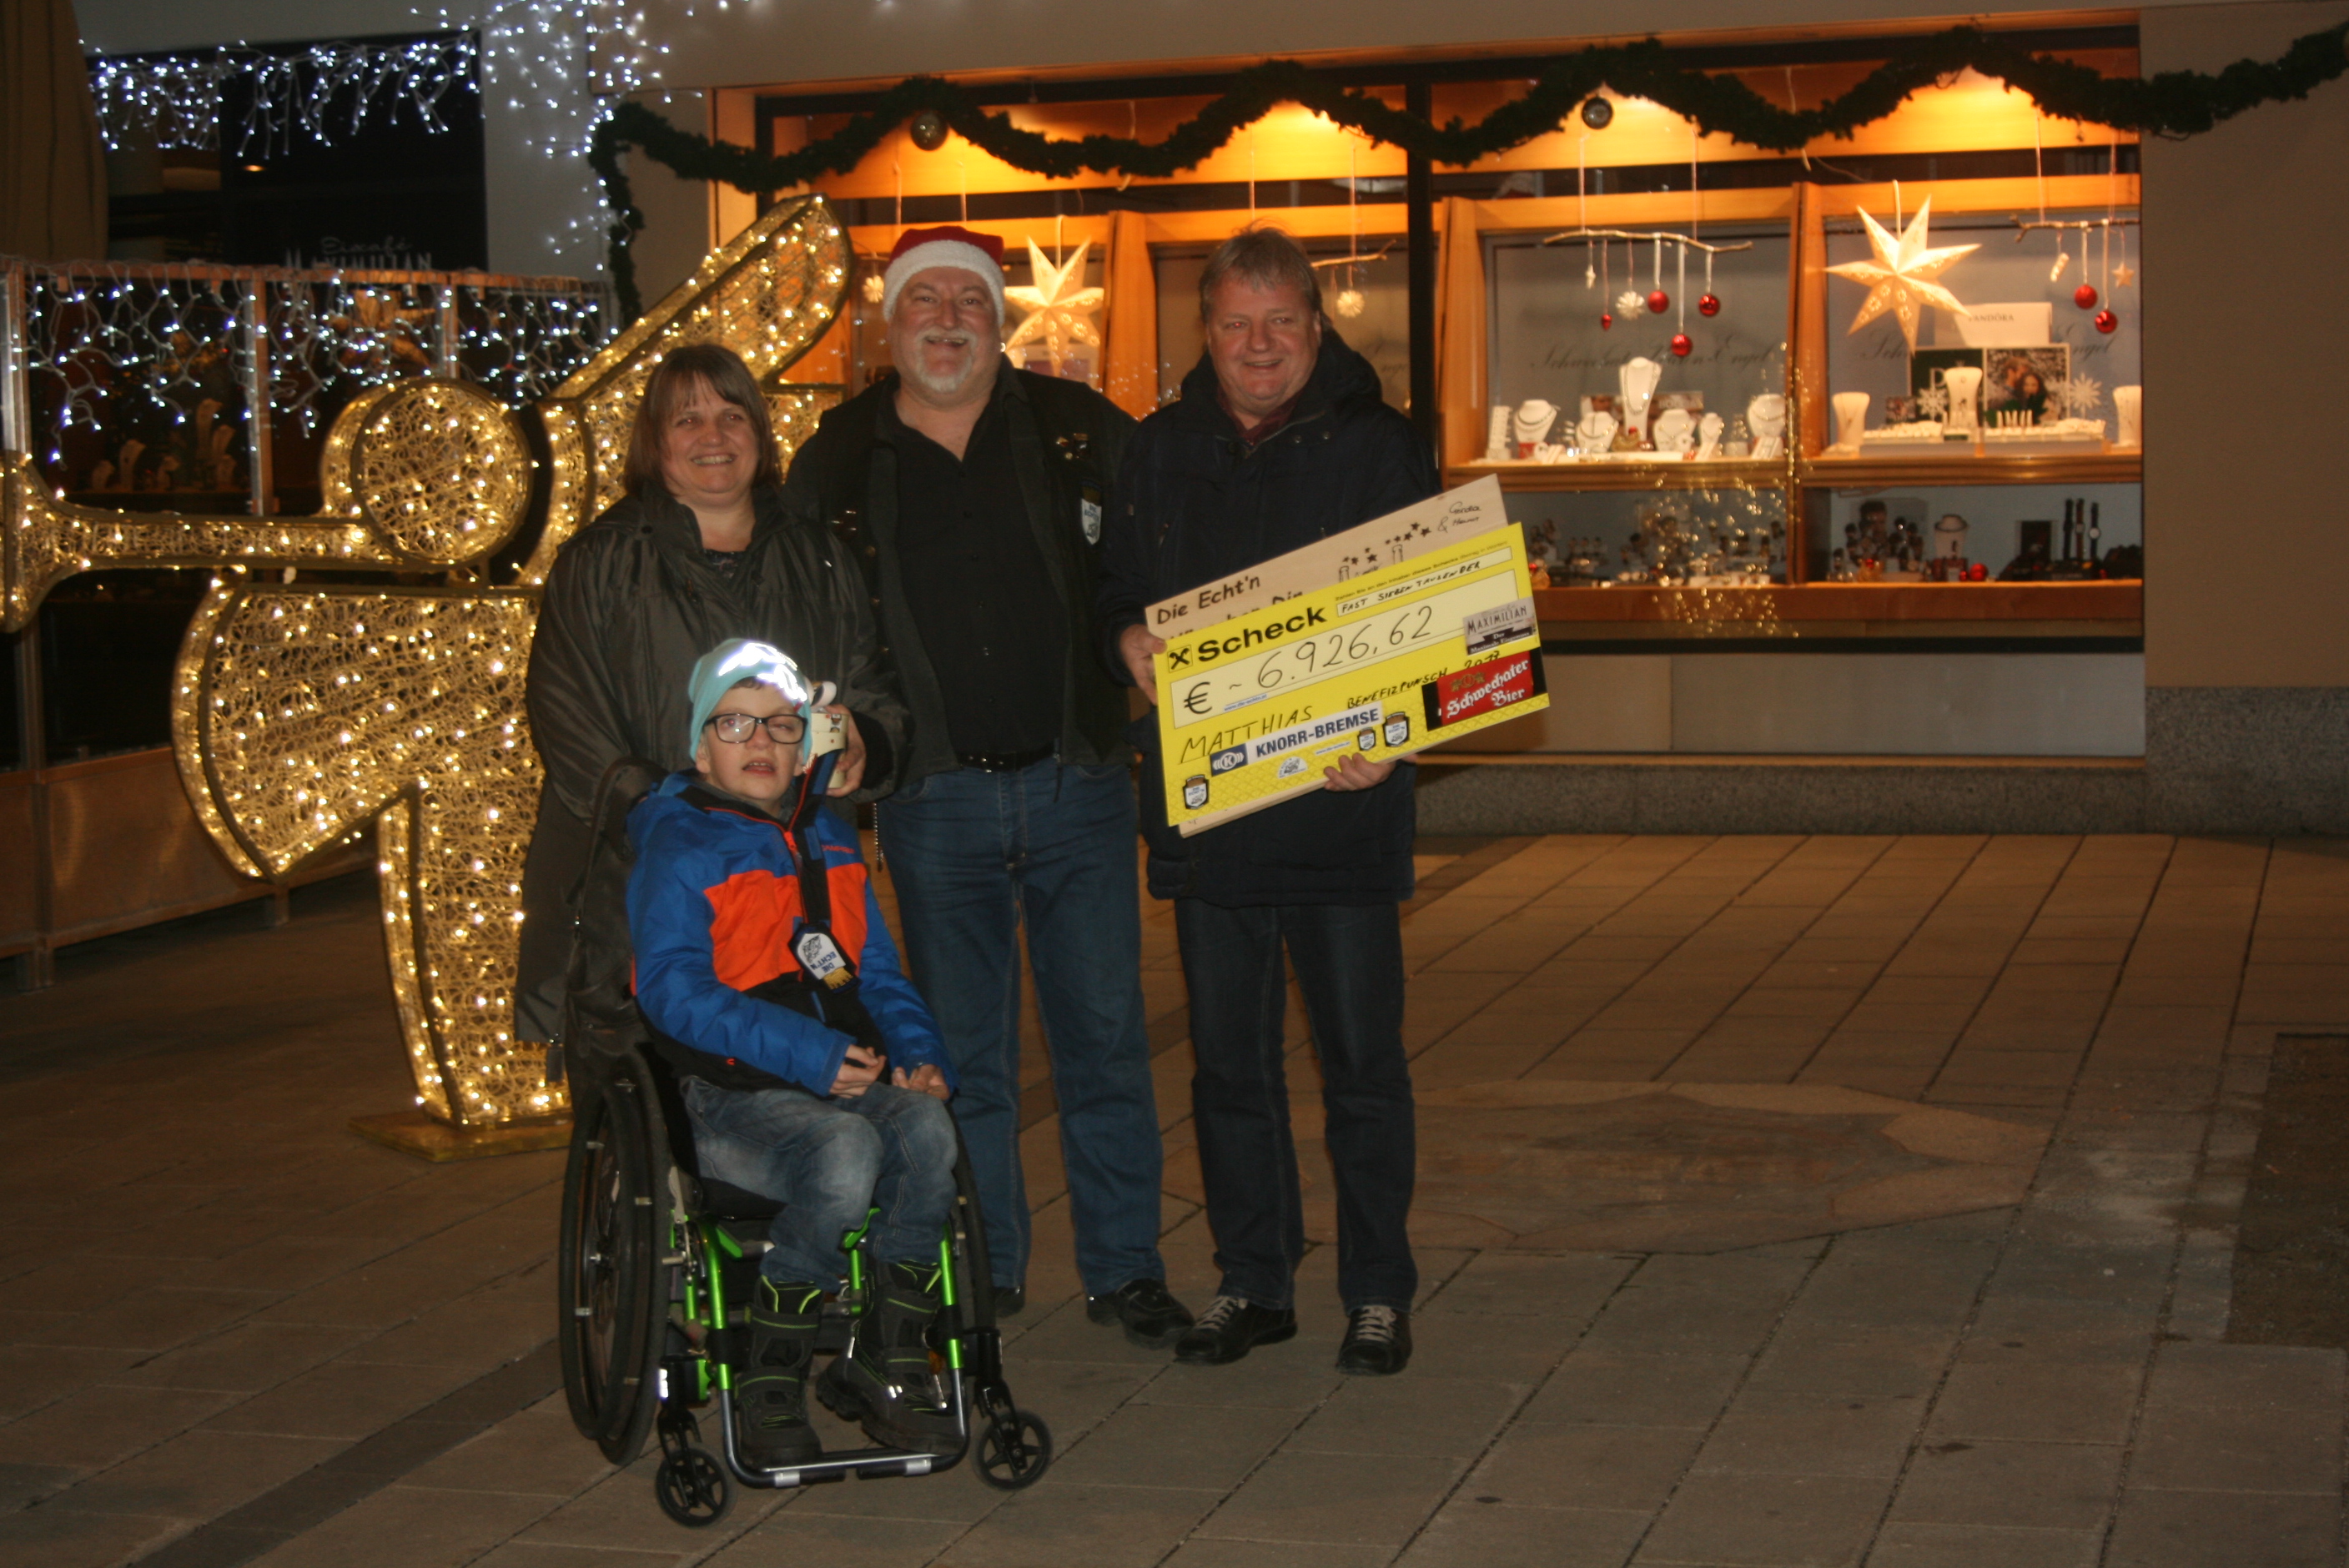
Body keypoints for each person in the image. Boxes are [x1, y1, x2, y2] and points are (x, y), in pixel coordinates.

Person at [782, 226, 1190, 1347]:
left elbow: (1151, 559)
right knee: (960, 1059)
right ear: (891, 323)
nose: (948, 320)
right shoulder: (838, 455)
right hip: (932, 802)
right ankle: (985, 1262)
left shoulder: (1076, 428)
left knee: (1105, 1042)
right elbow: (806, 616)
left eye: (969, 301)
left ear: (997, 321)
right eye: (925, 301)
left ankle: (1125, 1268)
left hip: (1079, 784)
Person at [1099, 226, 1436, 1376]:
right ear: (1205, 332)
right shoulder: (1158, 449)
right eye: (1235, 324)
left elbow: (1433, 610)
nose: (1257, 345)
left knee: (1362, 1068)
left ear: (1315, 326)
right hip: (1216, 816)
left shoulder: (1380, 445)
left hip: (1343, 807)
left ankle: (1378, 1290)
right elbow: (1117, 590)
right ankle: (1254, 1280)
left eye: (1279, 322)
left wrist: (1392, 737)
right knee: (1228, 1069)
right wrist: (1125, 639)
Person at [517, 342, 907, 1051]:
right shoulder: (601, 561)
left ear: (759, 433)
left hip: (797, 881)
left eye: (732, 416)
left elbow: (868, 689)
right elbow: (571, 723)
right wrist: (687, 828)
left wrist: (862, 741)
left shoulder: (820, 557)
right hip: (648, 881)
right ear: (654, 442)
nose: (713, 436)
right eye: (686, 419)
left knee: (808, 1064)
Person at [628, 638, 958, 1465]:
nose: (760, 742)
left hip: (835, 1077)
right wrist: (810, 1053)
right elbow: (670, 989)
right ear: (700, 747)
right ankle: (769, 1372)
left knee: (927, 1131)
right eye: (734, 723)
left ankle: (885, 1355)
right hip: (731, 1098)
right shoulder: (680, 845)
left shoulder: (831, 840)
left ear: (807, 742)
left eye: (781, 724)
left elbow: (876, 974)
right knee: (845, 1149)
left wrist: (917, 1053)